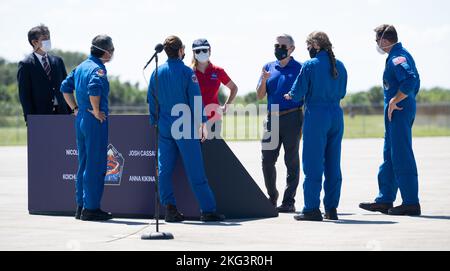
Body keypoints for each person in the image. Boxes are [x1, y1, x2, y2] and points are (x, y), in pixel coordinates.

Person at [147, 35, 225, 222]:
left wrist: (155, 121)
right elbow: (196, 101)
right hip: (185, 127)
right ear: (181, 50)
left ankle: (170, 209)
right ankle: (207, 210)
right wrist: (203, 125)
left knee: (164, 169)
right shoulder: (187, 73)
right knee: (195, 169)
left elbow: (151, 100)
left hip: (164, 126)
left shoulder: (156, 72)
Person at [359, 25, 421, 216]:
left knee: (401, 154)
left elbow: (411, 80)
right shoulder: (397, 55)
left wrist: (395, 100)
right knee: (389, 154)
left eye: (377, 41)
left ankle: (411, 202)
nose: (377, 44)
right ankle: (385, 199)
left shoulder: (397, 57)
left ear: (384, 41)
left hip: (399, 108)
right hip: (395, 110)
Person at [285, 31, 347, 221]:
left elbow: (297, 92)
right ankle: (331, 208)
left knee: (313, 163)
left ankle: (312, 208)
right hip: (336, 115)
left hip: (316, 115)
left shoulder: (310, 65)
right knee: (333, 163)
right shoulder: (340, 66)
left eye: (309, 46)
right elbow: (342, 92)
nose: (308, 50)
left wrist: (290, 95)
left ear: (316, 45)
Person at [60, 35, 114, 221]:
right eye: (112, 50)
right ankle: (91, 208)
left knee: (83, 163)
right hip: (93, 119)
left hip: (81, 117)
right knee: (96, 163)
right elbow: (94, 88)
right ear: (105, 51)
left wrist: (75, 108)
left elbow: (65, 87)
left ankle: (81, 206)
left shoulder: (81, 67)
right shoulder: (98, 69)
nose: (113, 53)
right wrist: (97, 110)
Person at [256, 34, 303, 213]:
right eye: (277, 45)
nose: (279, 49)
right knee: (267, 159)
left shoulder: (300, 68)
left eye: (283, 46)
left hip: (292, 117)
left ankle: (289, 201)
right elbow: (260, 95)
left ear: (292, 49)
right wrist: (265, 80)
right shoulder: (268, 67)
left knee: (291, 160)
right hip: (271, 118)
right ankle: (272, 196)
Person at [17, 24, 70, 123]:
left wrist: (70, 110)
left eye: (49, 38)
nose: (48, 41)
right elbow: (24, 95)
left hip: (62, 113)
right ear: (34, 42)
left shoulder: (58, 61)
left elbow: (66, 88)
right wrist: (29, 118)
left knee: (63, 139)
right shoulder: (26, 65)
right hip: (39, 115)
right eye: (45, 39)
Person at [191, 38, 238, 137]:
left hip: (214, 120)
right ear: (194, 53)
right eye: (198, 51)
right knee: (196, 152)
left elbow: (234, 88)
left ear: (210, 51)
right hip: (194, 121)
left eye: (204, 50)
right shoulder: (189, 72)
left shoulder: (218, 71)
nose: (202, 53)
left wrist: (227, 105)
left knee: (213, 152)